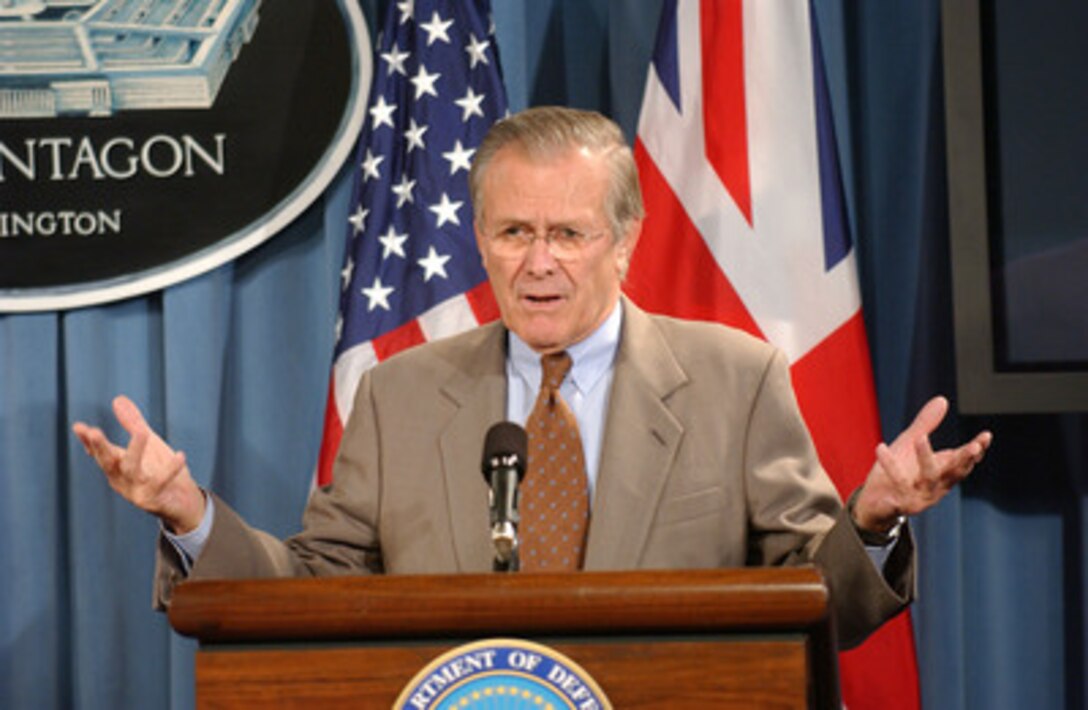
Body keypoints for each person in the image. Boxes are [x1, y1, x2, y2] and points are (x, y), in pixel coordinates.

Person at [72, 106, 991, 649]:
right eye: (514, 233)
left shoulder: (734, 380)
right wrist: (191, 514)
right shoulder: (399, 395)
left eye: (568, 234)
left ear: (624, 242)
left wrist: (872, 521)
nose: (538, 263)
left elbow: (817, 605)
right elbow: (313, 590)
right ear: (482, 242)